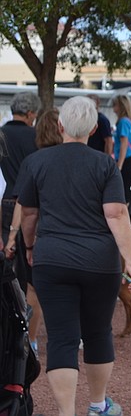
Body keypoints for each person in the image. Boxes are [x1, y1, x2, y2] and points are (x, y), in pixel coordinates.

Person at [17, 96, 131, 416]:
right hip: (99, 262)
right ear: (92, 128)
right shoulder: (104, 164)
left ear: (60, 126)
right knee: (98, 331)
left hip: (52, 258)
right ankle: (98, 405)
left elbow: (29, 214)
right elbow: (116, 215)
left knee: (61, 337)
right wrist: (129, 262)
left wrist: (30, 247)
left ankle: (66, 412)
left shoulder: (36, 162)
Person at [4, 108, 63, 358]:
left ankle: (32, 340)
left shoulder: (33, 162)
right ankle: (72, 335)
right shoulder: (80, 158)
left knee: (33, 289)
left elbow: (24, 204)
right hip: (70, 232)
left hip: (40, 233)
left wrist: (12, 236)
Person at [0, 92, 40, 298]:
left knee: (6, 262)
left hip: (6, 201)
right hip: (31, 203)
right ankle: (25, 315)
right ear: (30, 113)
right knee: (29, 266)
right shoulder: (36, 136)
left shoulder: (1, 134)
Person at [109, 94, 131, 202]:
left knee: (123, 191)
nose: (113, 109)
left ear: (121, 107)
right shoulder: (129, 121)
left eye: (114, 106)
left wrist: (119, 165)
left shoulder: (123, 122)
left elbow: (124, 144)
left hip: (125, 159)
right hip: (130, 158)